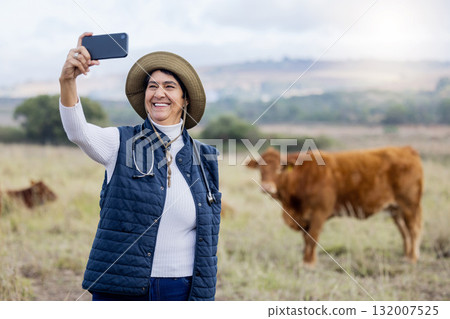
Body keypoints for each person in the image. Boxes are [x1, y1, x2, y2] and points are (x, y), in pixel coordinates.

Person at [59, 32, 222, 301]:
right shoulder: (119, 142)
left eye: (169, 87)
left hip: (182, 289)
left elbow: (207, 235)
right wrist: (67, 80)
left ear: (185, 99)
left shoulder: (205, 157)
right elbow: (78, 132)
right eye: (152, 86)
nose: (159, 93)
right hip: (123, 288)